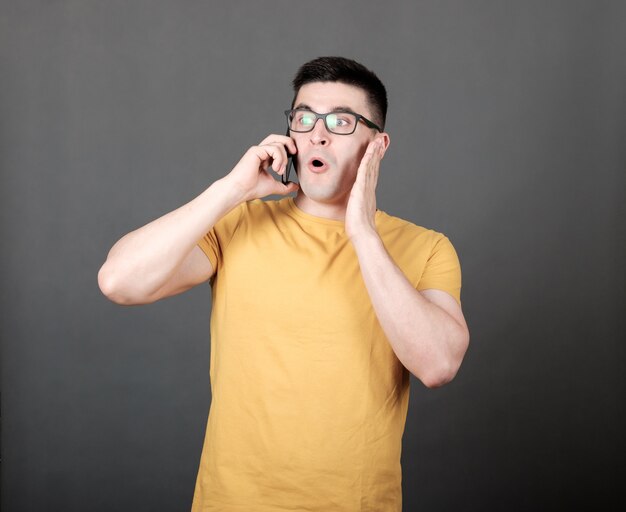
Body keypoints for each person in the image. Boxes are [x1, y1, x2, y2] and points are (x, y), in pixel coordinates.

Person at [98, 56, 470, 512]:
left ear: (378, 144)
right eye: (304, 118)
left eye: (341, 121)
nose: (317, 133)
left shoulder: (426, 247)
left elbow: (437, 365)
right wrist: (231, 189)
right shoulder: (239, 224)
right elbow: (119, 281)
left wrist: (363, 233)